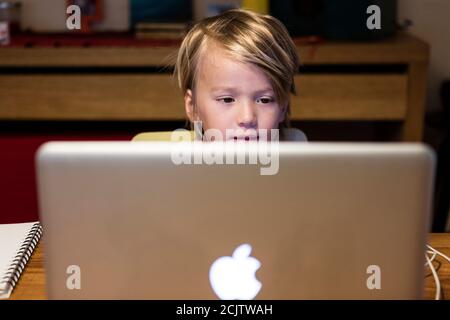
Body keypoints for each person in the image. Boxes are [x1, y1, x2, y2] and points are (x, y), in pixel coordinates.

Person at [174, 9, 303, 142]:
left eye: (265, 100)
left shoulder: (298, 155)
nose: (247, 118)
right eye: (227, 99)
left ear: (283, 107)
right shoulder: (178, 160)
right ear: (192, 107)